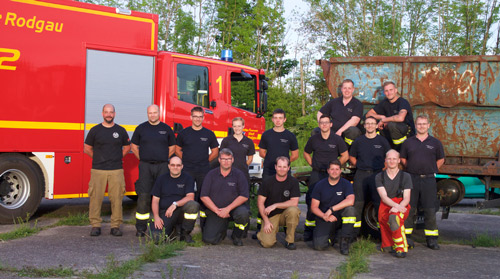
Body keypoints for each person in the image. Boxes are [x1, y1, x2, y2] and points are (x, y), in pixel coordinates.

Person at [84, 104, 130, 237]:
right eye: (106, 112)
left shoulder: (120, 131)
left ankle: (115, 226)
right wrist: (98, 158)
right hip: (98, 170)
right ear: (102, 114)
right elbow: (87, 148)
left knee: (117, 198)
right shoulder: (95, 130)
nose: (109, 114)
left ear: (114, 114)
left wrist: (116, 158)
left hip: (116, 170)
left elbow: (127, 147)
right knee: (95, 198)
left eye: (111, 112)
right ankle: (95, 225)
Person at [131, 104, 176, 237]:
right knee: (144, 196)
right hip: (145, 166)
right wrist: (144, 159)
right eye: (150, 113)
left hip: (162, 166)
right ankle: (140, 228)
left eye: (154, 113)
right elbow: (134, 147)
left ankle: (161, 225)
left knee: (162, 196)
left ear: (159, 113)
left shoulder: (166, 129)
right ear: (147, 114)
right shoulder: (141, 128)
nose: (152, 115)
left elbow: (172, 148)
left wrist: (162, 158)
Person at [401, 115, 445, 250]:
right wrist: (412, 168)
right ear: (415, 125)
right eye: (419, 124)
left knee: (429, 209)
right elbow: (403, 159)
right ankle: (406, 237)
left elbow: (441, 159)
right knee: (409, 208)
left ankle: (431, 239)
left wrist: (432, 169)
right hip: (412, 178)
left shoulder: (435, 143)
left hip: (429, 179)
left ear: (428, 125)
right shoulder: (408, 142)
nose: (421, 126)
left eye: (424, 124)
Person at [303, 115, 348, 241]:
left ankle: (334, 227)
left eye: (326, 122)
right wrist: (312, 163)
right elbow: (306, 152)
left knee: (334, 199)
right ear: (319, 124)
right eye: (321, 123)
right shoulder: (314, 139)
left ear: (330, 124)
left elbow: (345, 155)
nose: (324, 125)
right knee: (312, 200)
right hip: (317, 173)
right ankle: (309, 230)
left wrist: (336, 167)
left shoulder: (337, 139)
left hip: (331, 174)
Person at [349, 116, 391, 235]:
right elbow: (351, 156)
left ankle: (381, 234)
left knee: (378, 203)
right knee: (358, 203)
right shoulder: (359, 140)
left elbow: (388, 158)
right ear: (364, 125)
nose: (370, 126)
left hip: (377, 174)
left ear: (377, 125)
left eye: (372, 123)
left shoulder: (382, 141)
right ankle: (354, 234)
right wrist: (360, 165)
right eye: (368, 123)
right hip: (361, 174)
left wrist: (381, 169)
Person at [200, 148, 250, 246]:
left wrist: (227, 209)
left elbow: (244, 196)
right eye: (223, 159)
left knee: (243, 213)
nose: (226, 162)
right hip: (217, 210)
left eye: (228, 159)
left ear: (233, 160)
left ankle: (237, 235)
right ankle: (221, 230)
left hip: (234, 209)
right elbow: (204, 196)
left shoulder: (239, 175)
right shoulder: (211, 174)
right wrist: (217, 211)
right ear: (219, 160)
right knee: (209, 240)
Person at [310, 160, 356, 254]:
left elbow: (350, 200)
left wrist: (331, 210)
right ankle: (333, 236)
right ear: (328, 171)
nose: (334, 171)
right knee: (319, 246)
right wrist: (324, 216)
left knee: (350, 210)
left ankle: (344, 242)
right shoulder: (320, 185)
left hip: (339, 217)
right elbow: (314, 207)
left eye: (337, 169)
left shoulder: (346, 184)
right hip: (325, 217)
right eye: (332, 169)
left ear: (340, 171)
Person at [150, 156, 199, 243]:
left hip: (181, 211)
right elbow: (155, 200)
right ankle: (173, 231)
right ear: (168, 166)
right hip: (166, 213)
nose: (175, 167)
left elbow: (190, 197)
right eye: (172, 165)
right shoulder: (161, 179)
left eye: (178, 165)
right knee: (157, 239)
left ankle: (185, 233)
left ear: (182, 166)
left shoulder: (187, 178)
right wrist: (156, 217)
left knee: (193, 205)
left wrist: (175, 204)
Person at [175, 106, 219, 202]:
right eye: (195, 116)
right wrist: (185, 159)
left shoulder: (209, 134)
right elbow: (177, 149)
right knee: (185, 194)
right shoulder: (183, 133)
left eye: (200, 117)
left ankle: (203, 216)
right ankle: (186, 216)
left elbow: (215, 151)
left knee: (203, 195)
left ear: (203, 118)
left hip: (203, 169)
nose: (197, 119)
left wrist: (205, 161)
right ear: (191, 117)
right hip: (187, 169)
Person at [257, 157, 301, 250]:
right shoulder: (267, 182)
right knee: (267, 244)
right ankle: (261, 233)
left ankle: (290, 241)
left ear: (288, 168)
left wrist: (275, 205)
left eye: (284, 167)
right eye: (279, 166)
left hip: (286, 214)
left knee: (294, 210)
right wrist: (266, 221)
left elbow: (294, 202)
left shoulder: (293, 182)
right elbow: (260, 203)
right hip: (270, 215)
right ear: (275, 167)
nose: (282, 169)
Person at [375, 149, 412, 258]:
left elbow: (407, 198)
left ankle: (401, 247)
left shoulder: (406, 176)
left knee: (394, 219)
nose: (392, 161)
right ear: (385, 160)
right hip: (386, 204)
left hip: (401, 204)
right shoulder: (379, 177)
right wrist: (395, 206)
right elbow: (384, 197)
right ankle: (390, 244)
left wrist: (398, 207)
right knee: (386, 248)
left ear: (399, 160)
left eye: (394, 159)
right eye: (389, 159)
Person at [366, 81, 415, 149]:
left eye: (391, 90)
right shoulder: (384, 103)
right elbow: (368, 114)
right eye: (386, 91)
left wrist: (384, 120)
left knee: (392, 125)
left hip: (406, 133)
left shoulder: (403, 102)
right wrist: (381, 117)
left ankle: (400, 150)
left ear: (395, 90)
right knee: (372, 124)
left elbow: (400, 118)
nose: (389, 93)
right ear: (384, 93)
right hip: (391, 132)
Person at [316, 79, 363, 146]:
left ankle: (347, 153)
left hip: (346, 133)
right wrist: (322, 124)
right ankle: (323, 153)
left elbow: (355, 120)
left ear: (353, 89)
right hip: (332, 131)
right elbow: (320, 113)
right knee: (316, 131)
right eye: (345, 88)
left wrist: (340, 131)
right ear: (341, 89)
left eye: (349, 88)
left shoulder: (357, 104)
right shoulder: (334, 102)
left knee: (353, 131)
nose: (347, 90)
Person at [259, 108, 299, 180]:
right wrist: (271, 160)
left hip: (284, 171)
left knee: (285, 191)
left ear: (284, 119)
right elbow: (261, 153)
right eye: (275, 118)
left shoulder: (290, 136)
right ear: (272, 119)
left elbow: (295, 155)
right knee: (267, 191)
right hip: (269, 171)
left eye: (280, 118)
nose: (278, 120)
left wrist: (283, 164)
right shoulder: (266, 134)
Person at [220, 117, 255, 182]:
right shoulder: (226, 140)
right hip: (228, 174)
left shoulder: (249, 141)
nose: (237, 128)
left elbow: (250, 159)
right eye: (235, 126)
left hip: (243, 174)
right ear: (232, 127)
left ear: (243, 126)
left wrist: (242, 166)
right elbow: (221, 158)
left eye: (239, 126)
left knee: (243, 192)